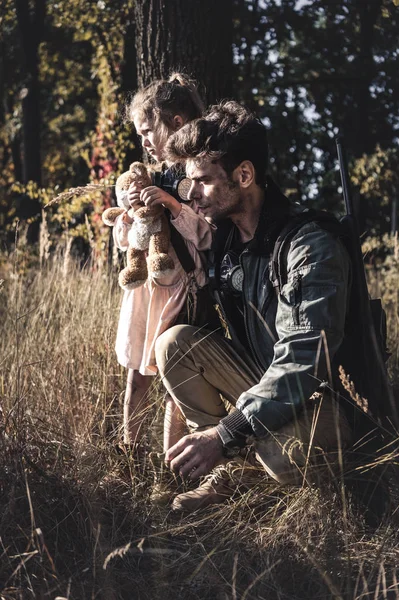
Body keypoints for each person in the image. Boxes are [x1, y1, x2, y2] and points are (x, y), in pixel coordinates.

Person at [155, 100, 354, 512]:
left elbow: (304, 363)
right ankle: (230, 472)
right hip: (264, 386)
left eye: (204, 181)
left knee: (284, 456)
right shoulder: (225, 241)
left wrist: (224, 433)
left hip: (322, 400)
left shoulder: (307, 244)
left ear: (244, 175)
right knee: (175, 344)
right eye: (187, 182)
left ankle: (237, 461)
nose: (192, 194)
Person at [113, 73, 215, 461]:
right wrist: (130, 214)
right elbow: (124, 242)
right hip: (146, 294)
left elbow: (207, 237)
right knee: (136, 375)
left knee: (176, 380)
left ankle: (171, 465)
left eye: (146, 131)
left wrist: (173, 206)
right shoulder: (149, 175)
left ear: (174, 123)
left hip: (182, 291)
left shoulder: (201, 176)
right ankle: (129, 455)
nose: (142, 142)